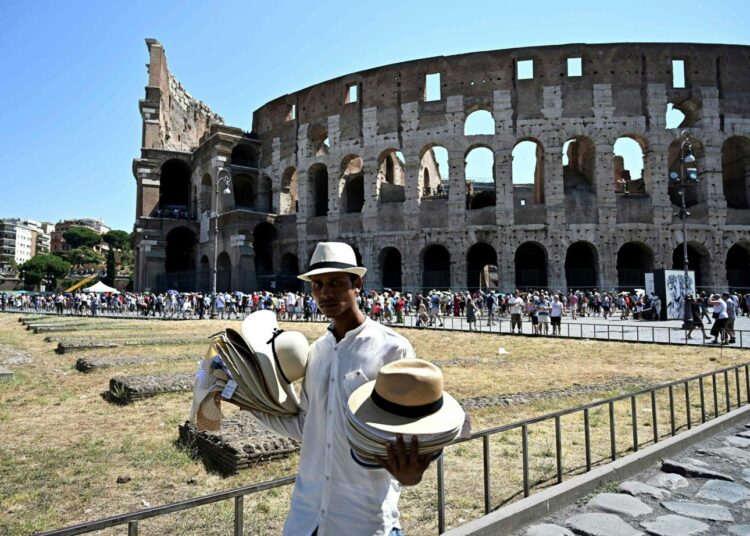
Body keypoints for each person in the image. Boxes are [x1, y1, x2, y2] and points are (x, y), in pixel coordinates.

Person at [251, 242, 430, 535]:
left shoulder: (392, 349)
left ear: (357, 284)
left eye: (335, 283)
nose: (326, 293)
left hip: (365, 520)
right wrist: (247, 401)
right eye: (318, 284)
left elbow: (416, 428)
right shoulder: (317, 353)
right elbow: (305, 426)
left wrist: (413, 474)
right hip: (306, 518)